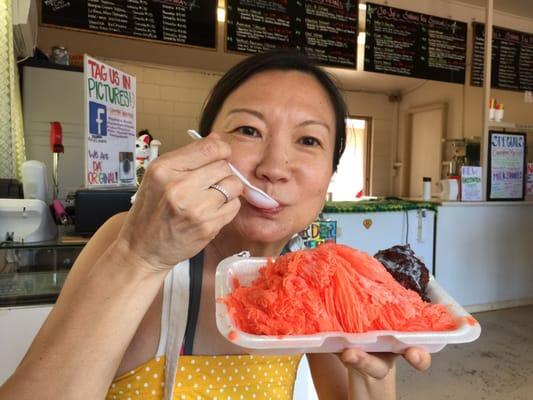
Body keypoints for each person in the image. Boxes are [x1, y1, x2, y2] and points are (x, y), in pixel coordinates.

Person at [0, 49, 430, 400]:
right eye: (248, 130)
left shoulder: (315, 281)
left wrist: (375, 366)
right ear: (205, 149)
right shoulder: (129, 239)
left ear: (330, 174)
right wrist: (140, 257)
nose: (274, 167)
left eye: (308, 140)